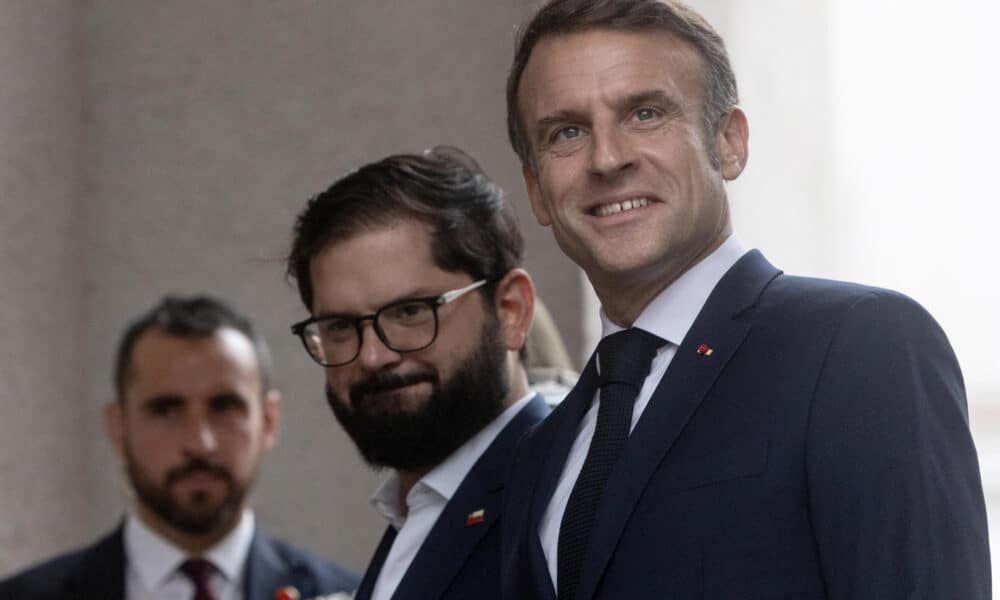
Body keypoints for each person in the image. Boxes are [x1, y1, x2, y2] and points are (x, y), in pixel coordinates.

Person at [499, 1, 991, 598]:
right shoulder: (543, 454)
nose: (607, 158)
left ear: (729, 143)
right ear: (536, 192)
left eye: (645, 113)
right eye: (567, 132)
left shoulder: (860, 348)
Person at [285, 146, 549, 600]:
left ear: (510, 310)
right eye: (340, 327)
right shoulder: (420, 509)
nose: (372, 357)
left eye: (409, 311)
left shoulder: (567, 499)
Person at [0, 296, 359, 600]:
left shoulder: (353, 595)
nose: (199, 443)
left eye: (224, 407)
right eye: (165, 410)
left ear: (268, 420)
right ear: (118, 427)